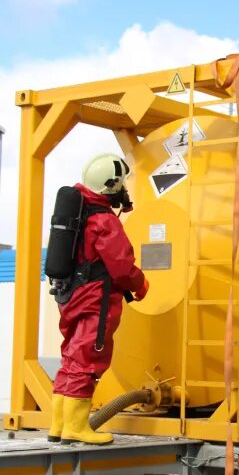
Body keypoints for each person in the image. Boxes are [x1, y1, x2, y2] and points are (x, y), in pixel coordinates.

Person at [48, 153, 149, 445]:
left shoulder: (79, 212)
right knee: (88, 359)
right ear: (110, 185)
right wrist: (140, 283)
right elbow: (120, 266)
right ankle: (76, 428)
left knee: (71, 358)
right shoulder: (103, 220)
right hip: (95, 299)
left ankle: (58, 426)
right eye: (121, 183)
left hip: (71, 296)